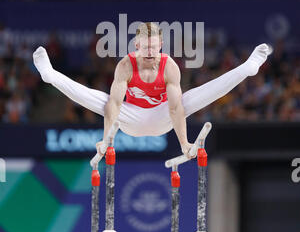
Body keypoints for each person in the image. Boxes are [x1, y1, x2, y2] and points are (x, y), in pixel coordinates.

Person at [33, 22, 272, 159]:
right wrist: (107, 141)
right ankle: (50, 76)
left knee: (190, 100)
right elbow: (114, 106)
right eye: (145, 47)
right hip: (129, 118)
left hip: (162, 117)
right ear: (136, 45)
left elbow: (176, 108)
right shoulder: (125, 65)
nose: (149, 52)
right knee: (102, 100)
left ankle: (246, 69)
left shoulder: (169, 67)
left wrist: (184, 144)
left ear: (161, 46)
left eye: (154, 48)